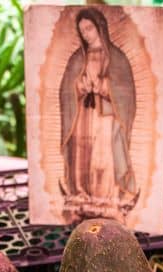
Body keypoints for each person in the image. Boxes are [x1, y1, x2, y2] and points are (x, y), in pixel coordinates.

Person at [58, 8, 138, 223]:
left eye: (89, 28)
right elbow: (66, 89)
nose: (86, 34)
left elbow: (126, 92)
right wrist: (79, 87)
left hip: (106, 116)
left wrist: (104, 87)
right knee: (83, 156)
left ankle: (106, 199)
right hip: (83, 115)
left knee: (103, 158)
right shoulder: (78, 58)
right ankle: (83, 197)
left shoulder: (117, 58)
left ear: (100, 27)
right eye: (82, 30)